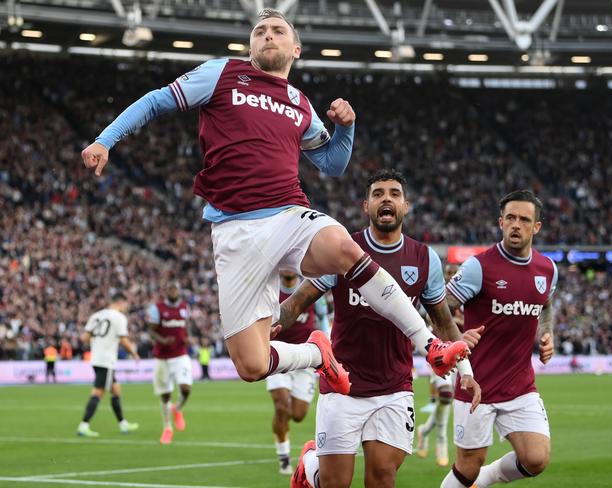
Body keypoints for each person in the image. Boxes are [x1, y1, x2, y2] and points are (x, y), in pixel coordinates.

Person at [80, 9, 468, 398]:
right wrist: (105, 140)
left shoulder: (299, 102)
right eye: (260, 31)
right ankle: (317, 355)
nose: (268, 35)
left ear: (294, 48)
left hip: (287, 213)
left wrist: (345, 128)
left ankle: (430, 346)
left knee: (345, 248)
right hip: (234, 229)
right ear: (250, 46)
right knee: (251, 364)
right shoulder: (222, 73)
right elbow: (155, 101)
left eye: (278, 31)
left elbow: (332, 164)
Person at [276, 169, 482, 488]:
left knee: (383, 477)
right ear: (366, 206)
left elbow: (443, 322)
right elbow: (297, 301)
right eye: (378, 193)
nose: (386, 198)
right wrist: (270, 325)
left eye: (394, 193)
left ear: (406, 206)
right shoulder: (343, 250)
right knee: (335, 484)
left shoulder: (424, 258)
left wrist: (465, 370)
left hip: (394, 387)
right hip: (342, 383)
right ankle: (312, 464)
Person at [440, 189, 557, 488]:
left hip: (520, 386)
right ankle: (475, 479)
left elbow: (545, 304)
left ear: (536, 227)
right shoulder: (479, 267)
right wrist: (456, 338)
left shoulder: (547, 269)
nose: (516, 224)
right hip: (477, 385)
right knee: (467, 468)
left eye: (524, 219)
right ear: (500, 222)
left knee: (536, 458)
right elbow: (438, 308)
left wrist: (547, 333)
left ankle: (487, 479)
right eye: (511, 218)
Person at [268, 270, 330, 475]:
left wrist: (328, 345)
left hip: (305, 357)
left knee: (298, 414)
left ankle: (300, 450)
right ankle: (283, 458)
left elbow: (321, 318)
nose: (287, 269)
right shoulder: (272, 291)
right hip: (277, 354)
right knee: (281, 406)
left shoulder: (310, 289)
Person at [416, 263, 464, 465]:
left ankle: (425, 430)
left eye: (455, 273)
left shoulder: (465, 299)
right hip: (440, 352)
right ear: (445, 275)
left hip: (460, 354)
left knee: (448, 398)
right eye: (449, 273)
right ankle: (442, 439)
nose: (452, 276)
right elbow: (431, 318)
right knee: (446, 394)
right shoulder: (438, 296)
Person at [77, 292, 140, 437]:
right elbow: (123, 340)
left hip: (96, 358)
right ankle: (83, 425)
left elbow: (84, 337)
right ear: (120, 302)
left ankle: (123, 424)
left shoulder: (96, 315)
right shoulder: (119, 318)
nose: (126, 307)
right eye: (126, 304)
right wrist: (134, 354)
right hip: (106, 360)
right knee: (98, 393)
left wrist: (98, 342)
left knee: (116, 390)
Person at [146, 282, 193, 445]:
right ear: (166, 292)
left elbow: (186, 326)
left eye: (175, 289)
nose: (173, 291)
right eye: (170, 289)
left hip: (181, 355)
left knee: (186, 389)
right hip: (162, 357)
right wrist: (162, 340)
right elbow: (151, 329)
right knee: (165, 395)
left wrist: (188, 338)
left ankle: (177, 409)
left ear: (179, 291)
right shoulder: (157, 309)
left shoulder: (184, 307)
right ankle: (167, 428)